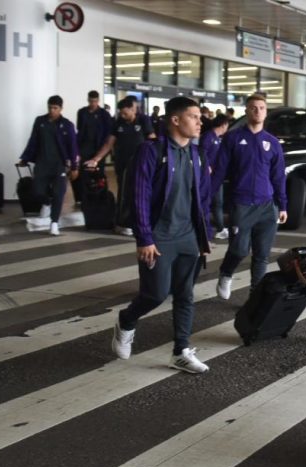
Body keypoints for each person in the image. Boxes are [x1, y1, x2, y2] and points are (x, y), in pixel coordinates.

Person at [111, 96, 213, 374]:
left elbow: (202, 199)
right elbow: (139, 195)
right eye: (194, 117)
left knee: (185, 295)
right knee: (154, 294)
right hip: (159, 236)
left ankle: (181, 350)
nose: (199, 122)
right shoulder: (151, 151)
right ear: (175, 120)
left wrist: (204, 238)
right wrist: (144, 237)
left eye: (199, 117)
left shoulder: (197, 154)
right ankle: (127, 320)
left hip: (188, 237)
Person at [212, 94, 287, 298]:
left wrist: (283, 205)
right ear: (246, 111)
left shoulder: (272, 143)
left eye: (261, 108)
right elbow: (219, 170)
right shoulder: (233, 138)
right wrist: (206, 198)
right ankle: (226, 273)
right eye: (253, 107)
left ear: (266, 112)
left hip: (266, 205)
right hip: (241, 204)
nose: (257, 111)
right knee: (239, 250)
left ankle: (255, 297)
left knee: (262, 256)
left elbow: (278, 176)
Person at [85, 97, 156, 235]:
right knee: (124, 193)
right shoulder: (118, 123)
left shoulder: (143, 120)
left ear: (133, 109)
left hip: (141, 164)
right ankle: (125, 222)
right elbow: (109, 143)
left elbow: (152, 139)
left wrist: (155, 159)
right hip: (123, 165)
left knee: (142, 192)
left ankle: (143, 222)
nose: (123, 116)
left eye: (125, 113)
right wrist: (96, 159)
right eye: (121, 113)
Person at [19, 95, 79, 236]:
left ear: (61, 108)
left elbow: (73, 147)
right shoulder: (40, 121)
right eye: (50, 107)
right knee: (36, 191)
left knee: (59, 194)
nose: (52, 110)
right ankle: (46, 202)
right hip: (42, 163)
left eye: (55, 108)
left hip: (59, 165)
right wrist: (25, 158)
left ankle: (54, 223)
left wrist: (75, 167)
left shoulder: (67, 125)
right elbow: (33, 140)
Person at [75, 90, 111, 205]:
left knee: (98, 172)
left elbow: (108, 132)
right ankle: (81, 198)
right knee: (82, 172)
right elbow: (80, 128)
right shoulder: (82, 112)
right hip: (84, 146)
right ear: (88, 100)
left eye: (95, 101)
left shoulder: (104, 114)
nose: (93, 103)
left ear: (98, 101)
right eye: (91, 101)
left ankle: (100, 195)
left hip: (98, 148)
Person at [199, 114, 230, 239]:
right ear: (223, 125)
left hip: (217, 176)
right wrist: (206, 166)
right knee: (210, 202)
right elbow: (201, 152)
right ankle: (212, 228)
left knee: (217, 202)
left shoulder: (217, 138)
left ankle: (220, 228)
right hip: (209, 177)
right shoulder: (208, 136)